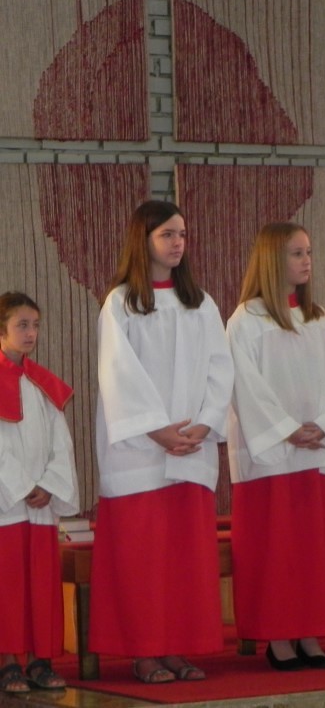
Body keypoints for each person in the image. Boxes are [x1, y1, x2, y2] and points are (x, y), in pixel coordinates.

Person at [90, 200, 234, 683]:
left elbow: (220, 368)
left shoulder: (201, 303)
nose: (177, 243)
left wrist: (204, 424)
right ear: (143, 240)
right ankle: (144, 652)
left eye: (182, 235)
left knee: (183, 560)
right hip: (141, 453)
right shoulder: (121, 303)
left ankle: (177, 648)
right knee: (143, 560)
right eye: (167, 234)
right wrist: (158, 430)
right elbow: (118, 374)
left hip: (191, 448)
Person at [227, 223, 325, 671]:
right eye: (296, 253)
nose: (307, 261)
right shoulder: (246, 321)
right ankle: (279, 638)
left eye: (309, 252)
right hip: (271, 456)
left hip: (315, 450)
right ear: (272, 260)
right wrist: (286, 429)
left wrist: (323, 424)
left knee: (312, 551)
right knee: (277, 551)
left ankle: (310, 632)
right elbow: (246, 386)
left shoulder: (319, 319)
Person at [0, 293, 78, 694]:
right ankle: (7, 662)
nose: (30, 333)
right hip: (8, 504)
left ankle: (39, 660)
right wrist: (22, 485)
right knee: (9, 585)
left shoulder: (41, 383)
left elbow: (60, 444)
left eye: (35, 325)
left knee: (40, 584)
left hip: (40, 505)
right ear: (2, 330)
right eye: (22, 325)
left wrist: (49, 484)